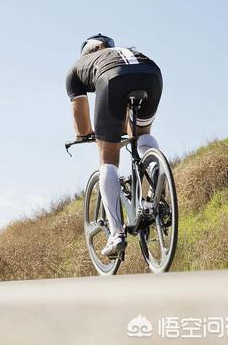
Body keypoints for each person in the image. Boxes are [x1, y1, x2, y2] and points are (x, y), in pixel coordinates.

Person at [66, 33, 163, 257]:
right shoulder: (125, 51)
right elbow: (128, 125)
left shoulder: (76, 69)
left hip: (112, 79)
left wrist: (96, 135)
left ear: (85, 53)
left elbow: (82, 129)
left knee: (108, 159)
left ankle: (116, 234)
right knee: (142, 134)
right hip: (150, 72)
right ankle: (155, 171)